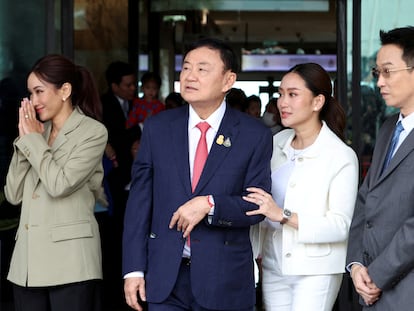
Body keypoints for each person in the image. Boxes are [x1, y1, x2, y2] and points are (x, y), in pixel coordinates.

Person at [122, 37, 272, 311]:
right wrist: (133, 269)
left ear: (228, 80)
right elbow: (139, 203)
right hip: (165, 275)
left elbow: (257, 205)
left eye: (202, 69)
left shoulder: (253, 135)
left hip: (224, 279)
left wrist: (210, 204)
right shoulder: (158, 128)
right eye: (186, 68)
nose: (190, 76)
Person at [246, 62, 359, 311]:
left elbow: (341, 226)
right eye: (280, 94)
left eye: (293, 94)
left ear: (318, 102)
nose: (282, 103)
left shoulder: (340, 155)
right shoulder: (276, 143)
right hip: (274, 264)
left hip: (316, 270)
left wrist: (282, 215)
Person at [3, 54, 107, 311]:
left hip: (71, 263)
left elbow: (60, 184)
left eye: (39, 91)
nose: (33, 101)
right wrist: (25, 141)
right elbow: (13, 194)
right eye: (30, 93)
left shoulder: (92, 132)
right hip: (27, 264)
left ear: (65, 90)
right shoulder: (37, 133)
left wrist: (34, 143)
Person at [346, 26, 414, 310]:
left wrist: (378, 274)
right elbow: (366, 199)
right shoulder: (388, 128)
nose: (379, 82)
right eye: (377, 73)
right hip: (373, 288)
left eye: (388, 71)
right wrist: (357, 264)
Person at [100, 61, 141, 310]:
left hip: (131, 179)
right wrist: (140, 129)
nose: (132, 89)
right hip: (115, 179)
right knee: (115, 237)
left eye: (133, 84)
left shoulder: (136, 104)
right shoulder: (106, 106)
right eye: (127, 85)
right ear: (114, 86)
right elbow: (114, 136)